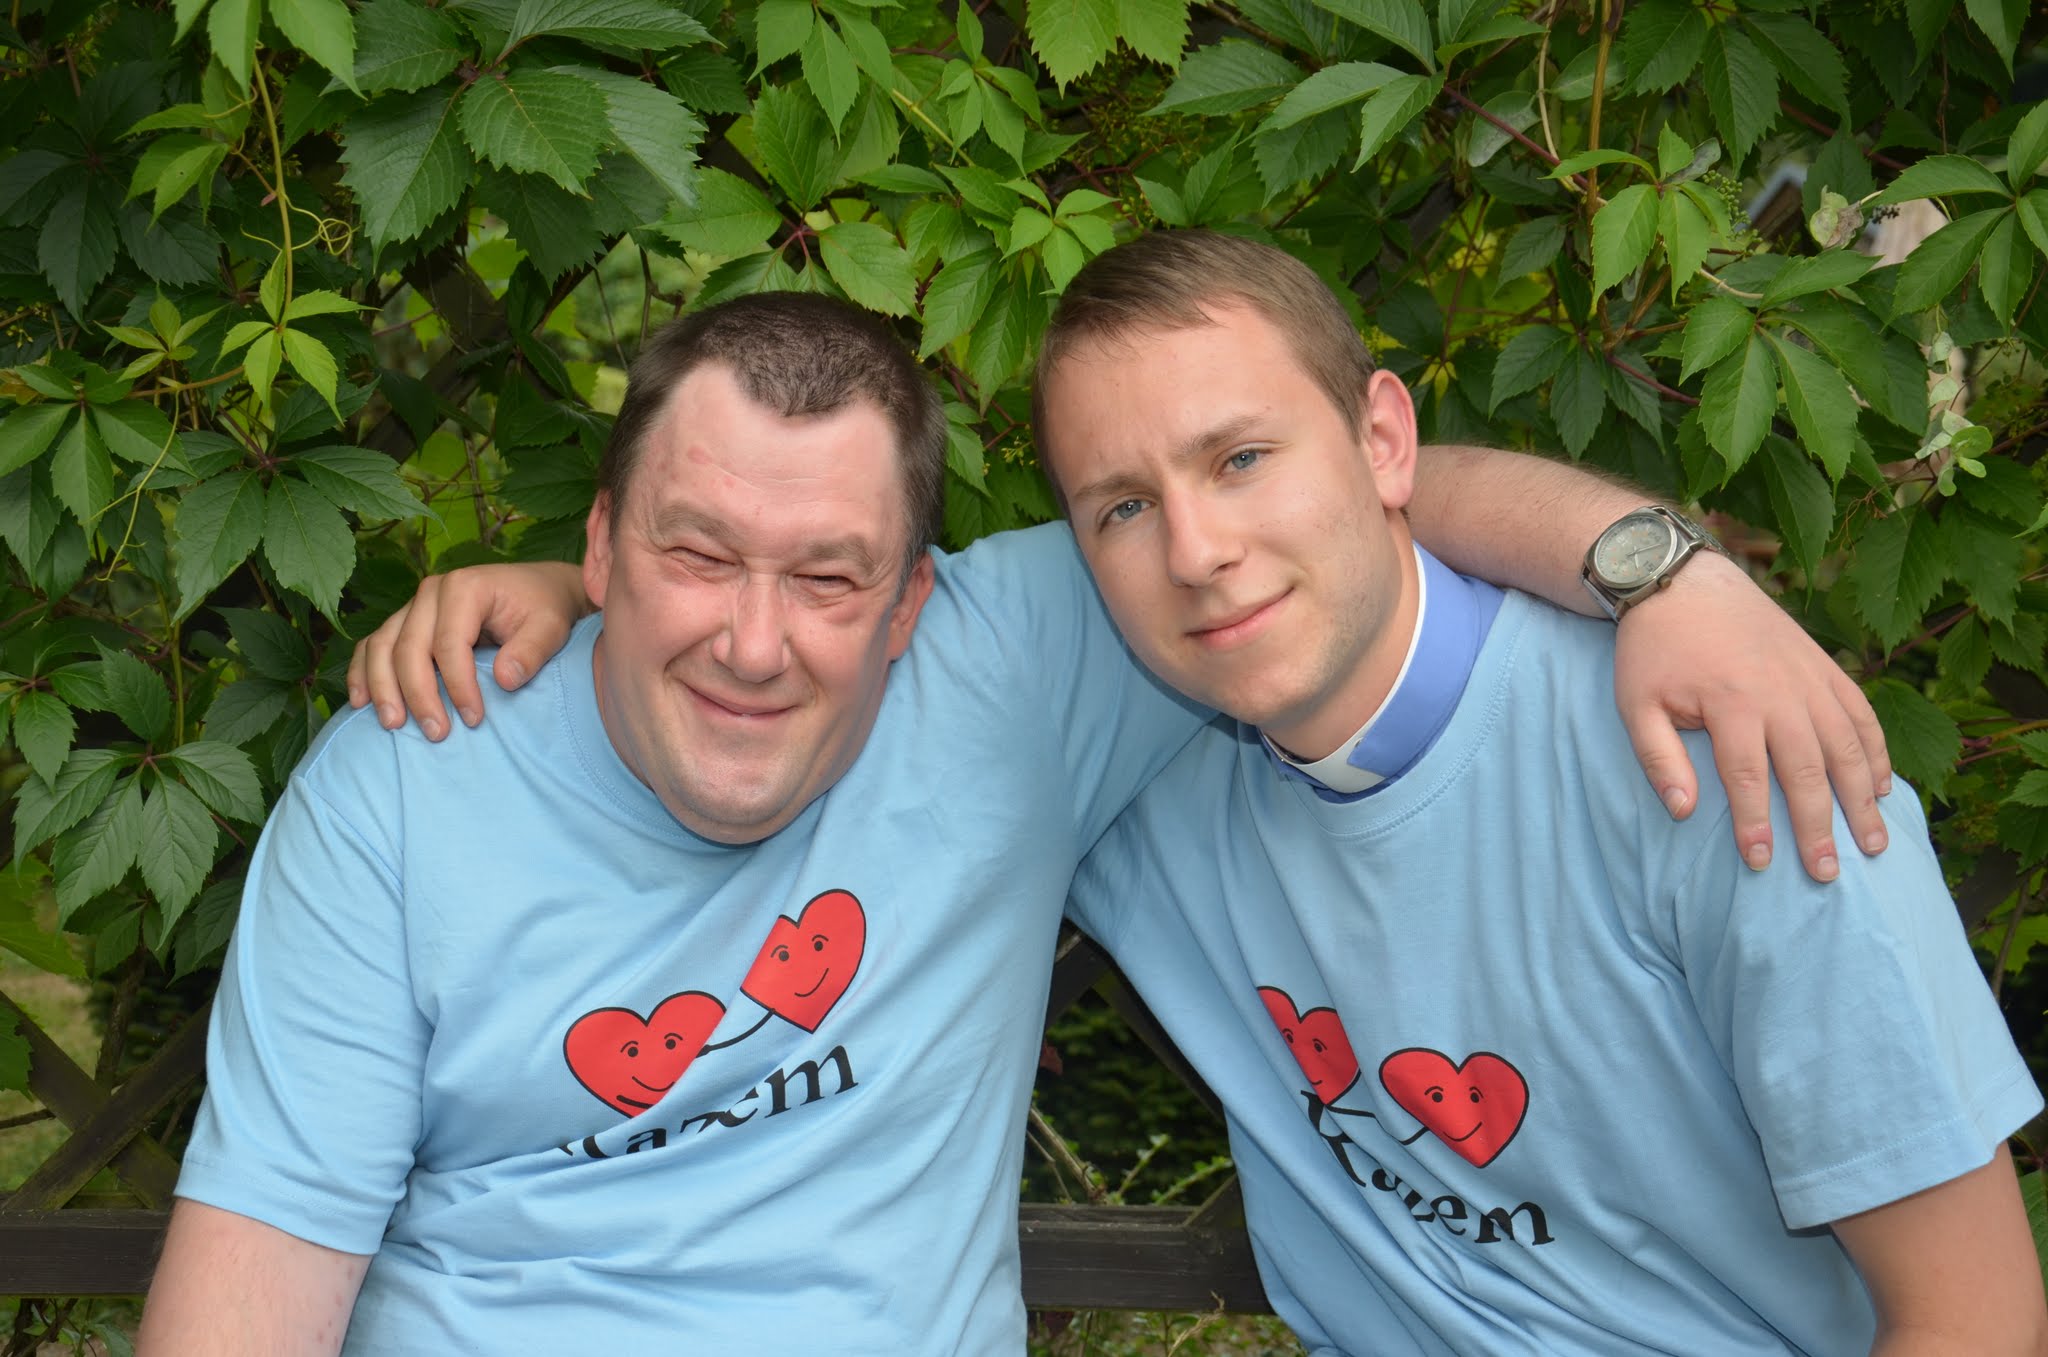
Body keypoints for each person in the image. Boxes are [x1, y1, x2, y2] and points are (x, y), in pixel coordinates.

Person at [145, 278, 1892, 1354]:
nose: (751, 641)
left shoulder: (1015, 663)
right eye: (695, 553)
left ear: (914, 602)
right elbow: (252, 1284)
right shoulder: (408, 775)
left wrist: (1661, 572)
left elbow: (1335, 504)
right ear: (597, 547)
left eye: (828, 576)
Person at [1038, 234, 2046, 1353]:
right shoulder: (1128, 766)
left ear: (1383, 439)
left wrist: (1663, 572)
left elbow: (1979, 1320)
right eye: (1122, 508)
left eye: (1240, 458)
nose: (1195, 551)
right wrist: (1639, 554)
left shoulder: (1725, 762)